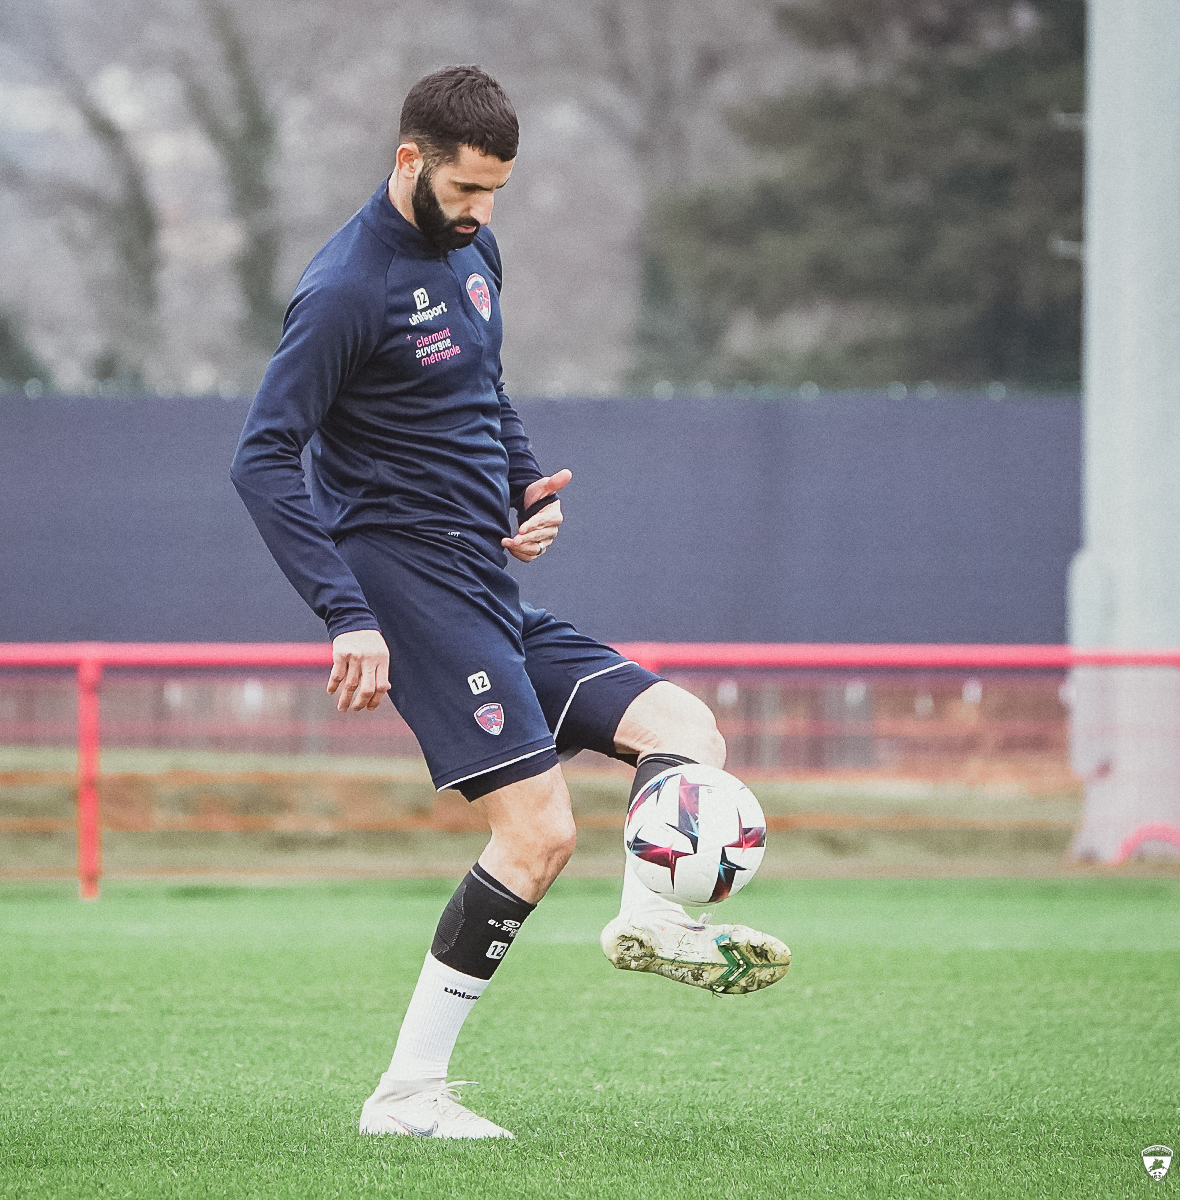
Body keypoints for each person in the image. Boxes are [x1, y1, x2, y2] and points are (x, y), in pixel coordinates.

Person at [231, 65, 790, 1140]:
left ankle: (649, 919)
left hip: (484, 579)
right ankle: (405, 1096)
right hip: (409, 585)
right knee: (535, 835)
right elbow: (261, 459)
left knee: (687, 730)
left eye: (496, 194)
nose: (483, 214)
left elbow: (480, 389)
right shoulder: (344, 288)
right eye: (467, 192)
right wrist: (344, 612)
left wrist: (522, 486)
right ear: (410, 161)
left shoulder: (473, 251)